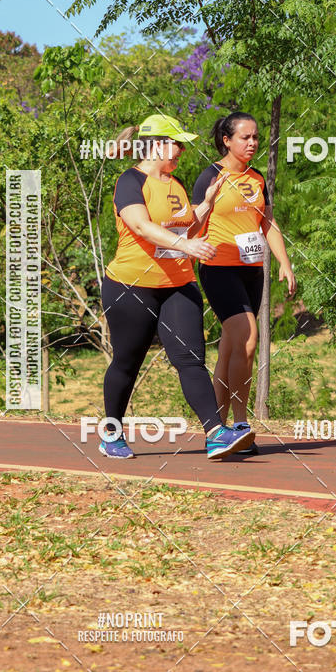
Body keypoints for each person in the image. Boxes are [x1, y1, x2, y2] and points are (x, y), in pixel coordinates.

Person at [100, 114, 254, 460]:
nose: (181, 150)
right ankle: (111, 432)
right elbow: (140, 225)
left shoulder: (176, 183)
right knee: (127, 361)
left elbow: (186, 231)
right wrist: (186, 246)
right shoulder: (129, 181)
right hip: (130, 285)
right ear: (157, 145)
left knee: (190, 359)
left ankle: (215, 433)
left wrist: (206, 206)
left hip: (178, 283)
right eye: (176, 143)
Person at [192, 111, 297, 455]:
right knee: (249, 339)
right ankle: (240, 423)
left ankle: (217, 430)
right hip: (218, 268)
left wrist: (284, 262)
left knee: (230, 348)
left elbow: (267, 222)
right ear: (227, 140)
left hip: (251, 271)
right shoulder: (210, 176)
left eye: (255, 137)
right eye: (244, 137)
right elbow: (190, 226)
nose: (252, 143)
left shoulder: (256, 179)